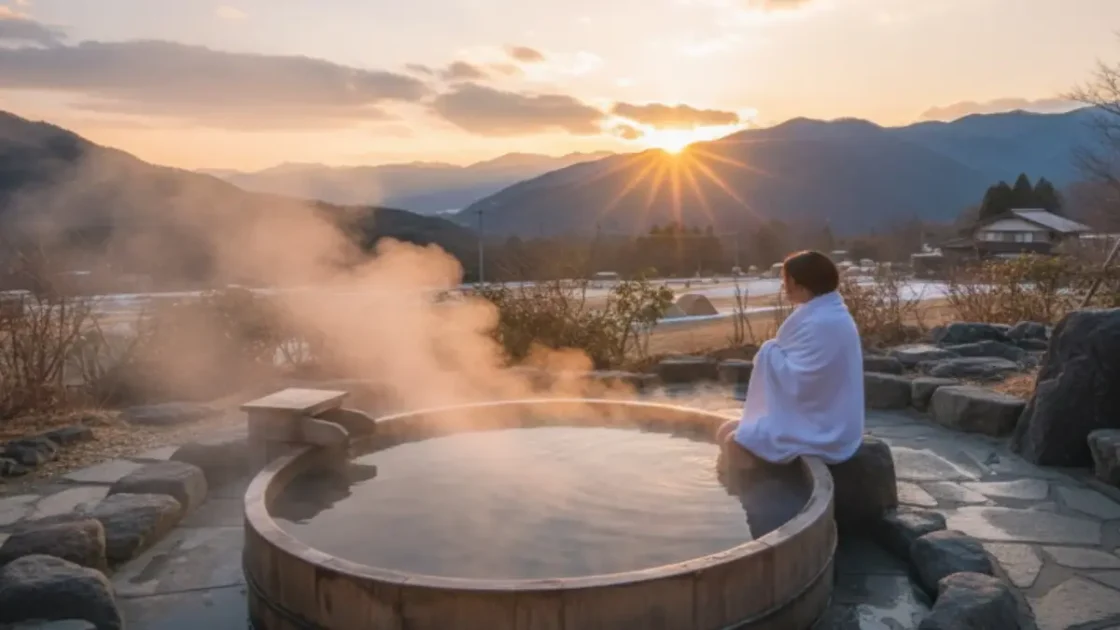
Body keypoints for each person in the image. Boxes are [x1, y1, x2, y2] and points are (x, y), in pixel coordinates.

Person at [717, 250, 864, 472]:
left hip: (822, 430)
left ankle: (752, 492)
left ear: (795, 282)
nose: (783, 286)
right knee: (727, 430)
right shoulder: (832, 312)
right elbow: (805, 373)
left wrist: (768, 351)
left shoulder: (820, 320)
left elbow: (801, 382)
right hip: (828, 420)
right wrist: (773, 353)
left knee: (732, 441)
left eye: (784, 280)